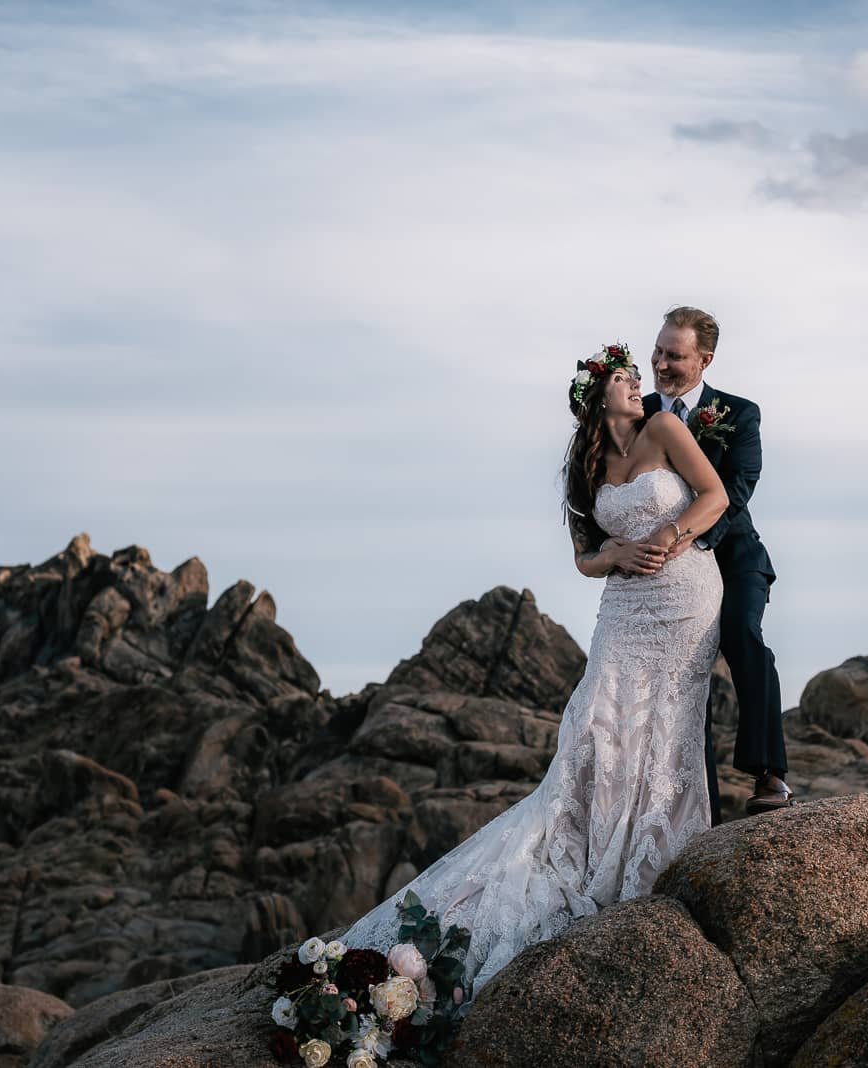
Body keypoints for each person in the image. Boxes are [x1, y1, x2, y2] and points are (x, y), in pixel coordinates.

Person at [339, 343, 727, 996]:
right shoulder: (587, 462)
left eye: (637, 378)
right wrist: (615, 554)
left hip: (683, 590)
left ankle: (651, 858)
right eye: (627, 380)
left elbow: (713, 496)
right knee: (593, 724)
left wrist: (667, 537)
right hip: (623, 605)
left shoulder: (664, 428)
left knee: (668, 725)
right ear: (596, 395)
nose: (639, 387)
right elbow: (584, 557)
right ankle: (592, 846)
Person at [635, 305, 790, 821]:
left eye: (674, 356)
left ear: (705, 360)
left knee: (743, 635)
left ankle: (769, 772)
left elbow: (738, 490)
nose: (660, 363)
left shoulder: (739, 414)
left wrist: (688, 540)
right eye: (657, 351)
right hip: (669, 572)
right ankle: (699, 804)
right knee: (683, 671)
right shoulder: (638, 416)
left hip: (734, 555)